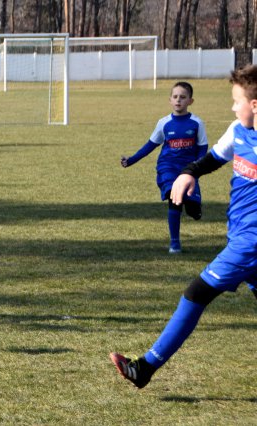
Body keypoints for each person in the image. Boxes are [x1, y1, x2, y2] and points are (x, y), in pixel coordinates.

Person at [110, 64, 257, 389]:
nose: (232, 107)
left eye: (236, 101)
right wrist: (188, 173)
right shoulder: (238, 130)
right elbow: (213, 158)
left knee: (196, 293)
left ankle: (145, 367)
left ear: (255, 105)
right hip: (240, 237)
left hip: (249, 244)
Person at [121, 82, 208, 254]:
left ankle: (193, 208)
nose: (178, 100)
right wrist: (131, 160)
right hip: (167, 166)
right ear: (170, 100)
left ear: (190, 101)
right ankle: (174, 243)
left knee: (193, 208)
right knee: (174, 198)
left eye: (183, 97)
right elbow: (150, 145)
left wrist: (196, 168)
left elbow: (203, 147)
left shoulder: (197, 123)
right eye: (175, 97)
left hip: (188, 169)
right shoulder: (164, 123)